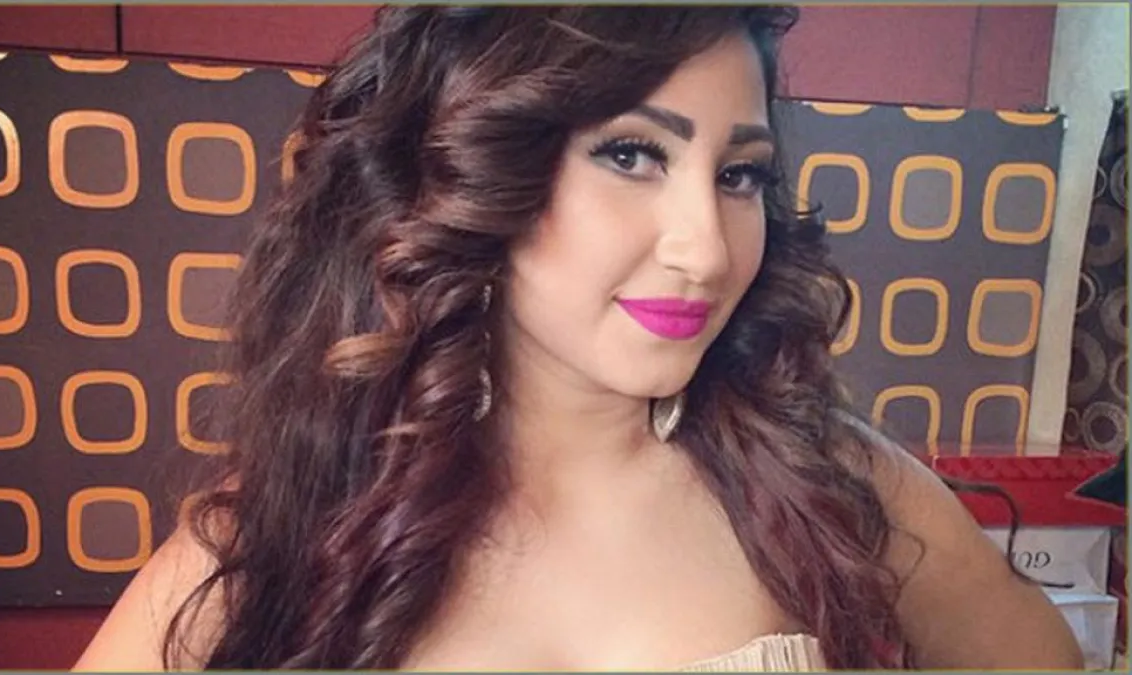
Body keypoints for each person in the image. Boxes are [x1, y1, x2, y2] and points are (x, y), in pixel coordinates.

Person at [73, 6, 1083, 671]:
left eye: (738, 175)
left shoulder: (832, 484)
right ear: (480, 172)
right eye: (633, 155)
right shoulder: (293, 519)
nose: (704, 248)